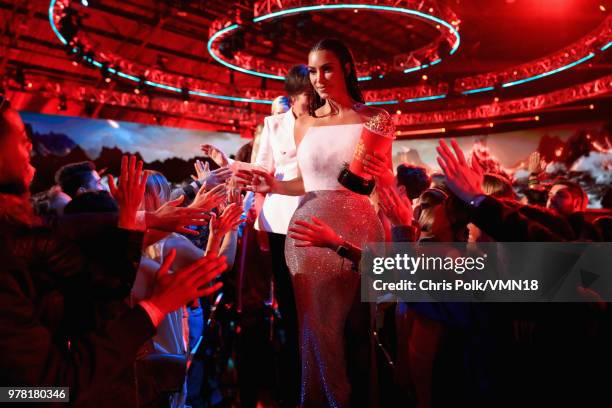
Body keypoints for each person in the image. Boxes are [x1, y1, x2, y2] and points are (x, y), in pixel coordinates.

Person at [0, 96, 227, 406]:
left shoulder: (21, 229)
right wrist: (156, 307)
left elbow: (66, 235)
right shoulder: (10, 250)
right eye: (22, 139)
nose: (28, 148)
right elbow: (44, 391)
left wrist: (142, 221)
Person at [239, 38, 393, 407]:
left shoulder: (375, 118)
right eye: (312, 70)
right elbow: (307, 182)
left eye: (327, 68)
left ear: (347, 69)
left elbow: (375, 181)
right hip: (306, 231)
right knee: (315, 332)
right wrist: (273, 184)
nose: (319, 77)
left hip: (357, 227)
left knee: (359, 329)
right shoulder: (304, 122)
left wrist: (383, 179)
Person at [250, 64, 312, 407]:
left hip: (315, 215)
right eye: (305, 95)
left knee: (311, 301)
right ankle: (292, 375)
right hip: (279, 220)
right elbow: (262, 167)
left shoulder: (323, 121)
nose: (310, 101)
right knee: (288, 303)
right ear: (291, 97)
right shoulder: (273, 124)